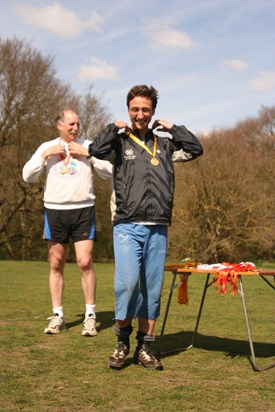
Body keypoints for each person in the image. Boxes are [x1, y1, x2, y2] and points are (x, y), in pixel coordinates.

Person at [88, 85, 203, 369]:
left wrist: (174, 128)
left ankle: (145, 347)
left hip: (158, 226)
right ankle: (121, 342)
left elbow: (195, 149)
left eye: (146, 110)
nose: (140, 115)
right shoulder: (118, 143)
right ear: (128, 110)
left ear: (153, 112)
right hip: (127, 224)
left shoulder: (165, 145)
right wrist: (110, 128)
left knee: (151, 290)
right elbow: (95, 150)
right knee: (127, 286)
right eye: (135, 109)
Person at [22, 109, 112, 336]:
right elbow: (27, 176)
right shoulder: (46, 147)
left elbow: (109, 171)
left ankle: (90, 315)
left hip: (83, 210)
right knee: (56, 263)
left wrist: (89, 153)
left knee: (84, 261)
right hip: (55, 211)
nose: (75, 128)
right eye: (71, 124)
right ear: (59, 125)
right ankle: (58, 315)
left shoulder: (88, 145)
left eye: (78, 124)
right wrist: (44, 156)